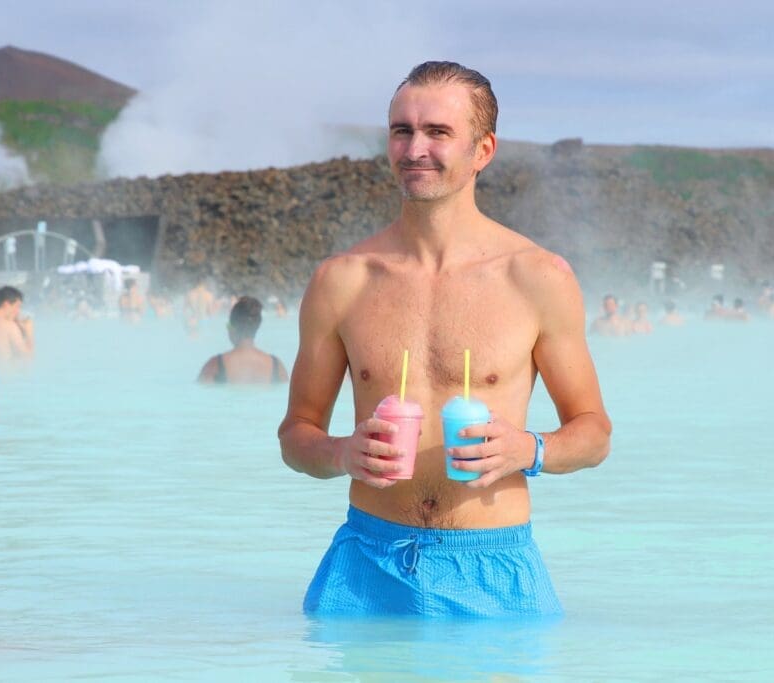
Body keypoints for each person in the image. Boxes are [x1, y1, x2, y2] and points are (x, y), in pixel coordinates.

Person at [277, 61, 611, 618]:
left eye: (438, 132)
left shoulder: (537, 278)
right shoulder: (342, 280)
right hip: (363, 567)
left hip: (493, 566)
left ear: (483, 150)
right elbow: (295, 434)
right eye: (401, 130)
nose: (414, 149)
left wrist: (528, 450)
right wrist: (339, 452)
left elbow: (594, 433)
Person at [197, 296, 288, 384]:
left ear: (232, 329)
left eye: (228, 326)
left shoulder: (215, 366)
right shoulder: (277, 366)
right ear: (256, 328)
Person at [0, 286, 33, 362]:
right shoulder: (9, 326)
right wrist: (29, 333)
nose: (18, 311)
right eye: (17, 306)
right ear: (6, 304)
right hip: (7, 368)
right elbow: (28, 359)